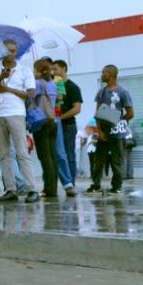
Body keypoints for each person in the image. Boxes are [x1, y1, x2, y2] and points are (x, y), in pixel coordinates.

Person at [0, 41, 40, 203]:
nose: (11, 53)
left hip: (16, 112)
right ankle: (10, 189)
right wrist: (0, 79)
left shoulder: (24, 69)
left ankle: (32, 189)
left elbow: (30, 93)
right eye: (8, 50)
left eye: (13, 51)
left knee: (22, 152)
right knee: (3, 153)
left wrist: (9, 89)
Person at [87, 65, 134, 194]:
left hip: (118, 132)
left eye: (104, 72)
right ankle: (96, 185)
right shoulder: (101, 92)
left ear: (111, 74)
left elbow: (130, 113)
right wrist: (100, 131)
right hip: (104, 130)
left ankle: (117, 186)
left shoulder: (123, 92)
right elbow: (97, 113)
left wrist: (116, 119)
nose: (101, 75)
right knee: (99, 160)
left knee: (116, 161)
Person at [31, 59, 61, 198]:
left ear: (37, 70)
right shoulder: (52, 85)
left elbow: (30, 98)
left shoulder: (38, 84)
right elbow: (58, 99)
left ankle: (48, 189)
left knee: (45, 157)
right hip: (53, 121)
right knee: (52, 156)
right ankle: (53, 187)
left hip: (41, 121)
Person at [53, 60, 81, 190]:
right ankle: (62, 182)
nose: (53, 72)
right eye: (52, 69)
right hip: (54, 125)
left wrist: (60, 118)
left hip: (68, 126)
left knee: (69, 154)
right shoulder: (52, 85)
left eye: (56, 69)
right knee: (57, 155)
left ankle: (71, 183)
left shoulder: (72, 87)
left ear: (64, 69)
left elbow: (77, 109)